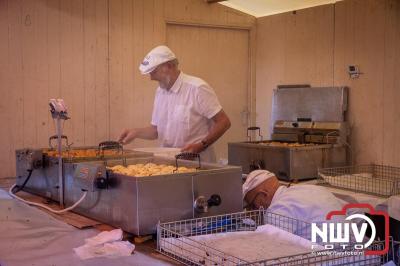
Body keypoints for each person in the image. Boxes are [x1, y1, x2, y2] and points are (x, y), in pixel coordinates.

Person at [118, 45, 231, 162]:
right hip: (168, 163)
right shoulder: (160, 91)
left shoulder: (197, 88)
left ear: (169, 66)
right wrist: (135, 132)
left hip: (197, 163)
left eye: (154, 72)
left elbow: (224, 122)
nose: (151, 78)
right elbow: (156, 130)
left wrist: (201, 145)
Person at [243, 170, 357, 224]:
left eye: (253, 204)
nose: (254, 210)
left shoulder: (277, 210)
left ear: (264, 194)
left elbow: (272, 250)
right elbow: (354, 211)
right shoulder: (311, 188)